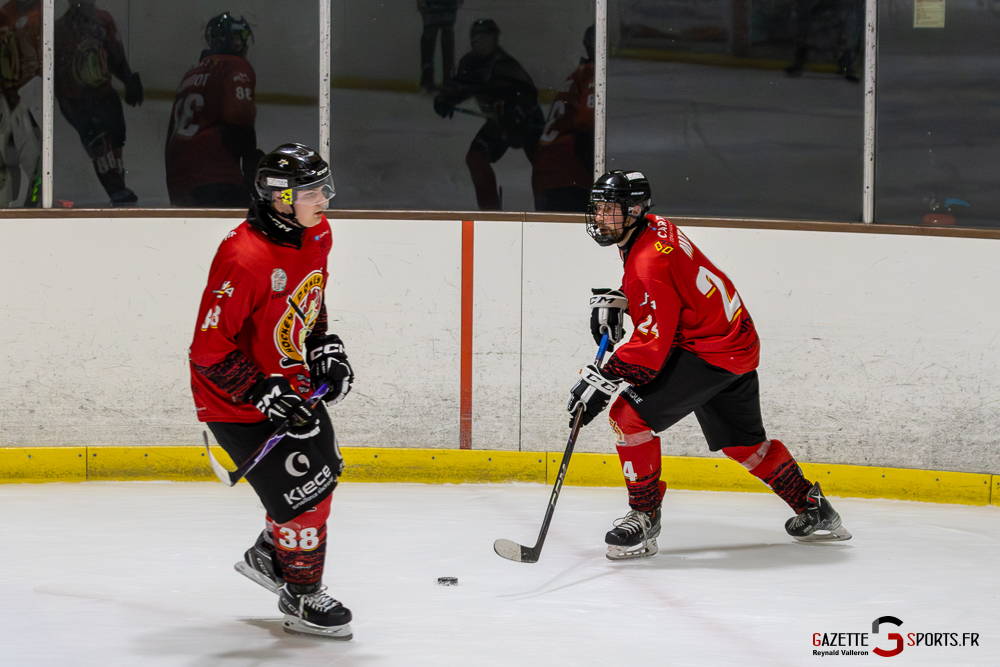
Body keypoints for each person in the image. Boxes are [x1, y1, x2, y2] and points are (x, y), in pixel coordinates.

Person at [567, 170, 851, 561]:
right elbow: (674, 291)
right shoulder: (654, 227)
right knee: (744, 445)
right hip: (735, 342)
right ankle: (814, 508)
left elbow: (650, 350)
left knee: (626, 415)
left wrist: (605, 376)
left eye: (608, 209)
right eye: (596, 208)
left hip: (708, 351)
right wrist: (626, 300)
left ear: (633, 209)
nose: (599, 217)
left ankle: (644, 516)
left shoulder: (646, 263)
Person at [189, 143, 354, 639]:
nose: (324, 198)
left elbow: (312, 297)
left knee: (325, 474)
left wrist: (323, 343)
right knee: (304, 499)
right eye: (312, 191)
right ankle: (301, 597)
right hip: (235, 400)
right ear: (281, 200)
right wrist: (260, 391)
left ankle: (268, 553)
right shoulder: (243, 257)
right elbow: (208, 351)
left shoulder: (317, 232)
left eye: (325, 186)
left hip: (290, 380)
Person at [433, 19, 544, 210]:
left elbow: (528, 94)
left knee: (543, 165)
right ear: (472, 41)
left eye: (489, 38)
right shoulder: (469, 63)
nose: (484, 43)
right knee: (475, 158)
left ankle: (547, 213)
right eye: (479, 39)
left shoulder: (506, 65)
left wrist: (517, 115)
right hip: (498, 121)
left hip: (527, 120)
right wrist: (447, 98)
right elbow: (461, 86)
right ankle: (490, 211)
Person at [166, 12, 261, 208]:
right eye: (239, 38)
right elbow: (238, 117)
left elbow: (170, 135)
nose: (241, 45)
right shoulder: (236, 65)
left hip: (179, 181)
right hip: (216, 178)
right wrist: (252, 164)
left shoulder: (191, 74)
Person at [54, 0, 143, 206]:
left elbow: (115, 54)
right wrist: (67, 106)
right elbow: (53, 74)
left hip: (104, 95)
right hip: (77, 100)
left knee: (117, 140)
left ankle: (118, 188)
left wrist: (128, 78)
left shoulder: (103, 20)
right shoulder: (58, 29)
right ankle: (117, 190)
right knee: (98, 144)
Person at [531, 25, 595, 213]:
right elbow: (585, 127)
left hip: (546, 177)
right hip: (568, 178)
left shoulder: (577, 75)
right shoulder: (593, 75)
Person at [0, 0, 42, 207]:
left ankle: (32, 200)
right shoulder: (7, 11)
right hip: (10, 96)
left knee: (32, 153)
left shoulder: (44, 12)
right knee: (10, 154)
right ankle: (11, 203)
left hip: (32, 92)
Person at [417, 0, 463, 92]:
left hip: (436, 7)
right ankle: (444, 79)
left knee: (432, 41)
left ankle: (432, 77)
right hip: (443, 7)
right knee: (442, 42)